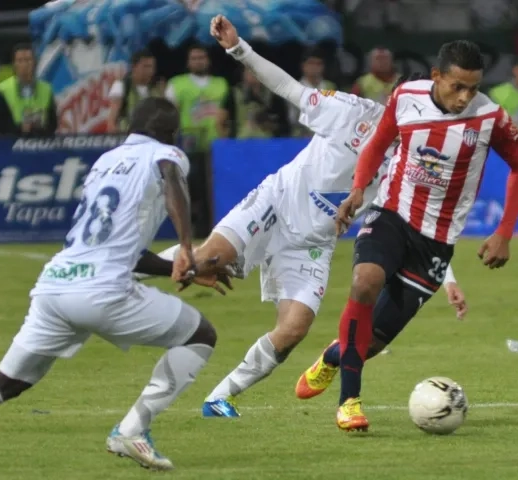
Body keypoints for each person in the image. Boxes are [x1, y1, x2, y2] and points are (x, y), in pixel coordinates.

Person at [0, 97, 230, 476]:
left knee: (4, 382)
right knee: (199, 334)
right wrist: (187, 247)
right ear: (170, 133)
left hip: (55, 287)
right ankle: (133, 429)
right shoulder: (168, 155)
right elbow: (170, 173)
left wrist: (179, 267)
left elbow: (129, 253)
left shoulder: (104, 163)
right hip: (102, 291)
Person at [134, 16, 467, 419]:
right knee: (206, 260)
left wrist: (447, 280)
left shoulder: (415, 158)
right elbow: (290, 88)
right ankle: (124, 267)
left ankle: (220, 396)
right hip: (275, 205)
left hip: (313, 242)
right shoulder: (348, 111)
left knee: (294, 330)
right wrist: (238, 49)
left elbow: (419, 224)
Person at [301, 40, 518, 432]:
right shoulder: (405, 97)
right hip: (392, 213)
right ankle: (349, 402)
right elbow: (378, 142)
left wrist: (504, 232)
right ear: (437, 76)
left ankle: (334, 356)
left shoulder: (490, 116)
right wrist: (358, 188)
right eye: (457, 86)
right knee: (364, 281)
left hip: (436, 241)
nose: (465, 97)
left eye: (473, 88)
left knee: (371, 342)